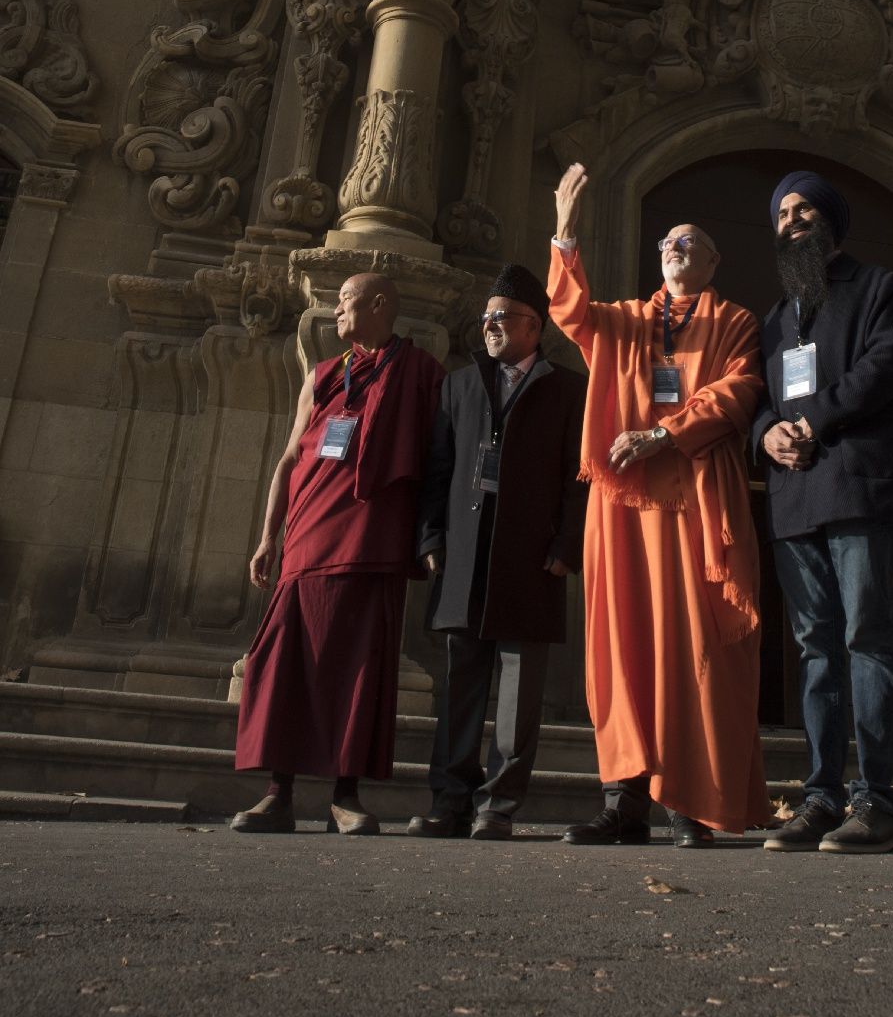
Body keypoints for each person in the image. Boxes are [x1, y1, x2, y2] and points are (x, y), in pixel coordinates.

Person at [548, 162, 772, 848]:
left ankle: (691, 803)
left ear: (712, 261)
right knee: (621, 649)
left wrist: (660, 433)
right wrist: (564, 230)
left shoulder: (733, 320)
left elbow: (738, 391)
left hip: (696, 504)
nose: (677, 247)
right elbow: (569, 314)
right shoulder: (623, 321)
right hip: (622, 507)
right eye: (668, 241)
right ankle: (624, 803)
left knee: (694, 647)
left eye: (691, 242)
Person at [232, 271, 444, 835]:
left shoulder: (421, 374)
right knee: (285, 661)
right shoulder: (324, 374)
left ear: (380, 304)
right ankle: (278, 792)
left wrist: (430, 537)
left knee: (358, 664)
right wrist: (266, 536)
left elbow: (438, 465)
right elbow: (286, 458)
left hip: (371, 536)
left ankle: (344, 796)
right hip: (306, 537)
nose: (336, 313)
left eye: (346, 301)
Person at [753, 171, 893, 854]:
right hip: (793, 498)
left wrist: (809, 420)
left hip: (854, 487)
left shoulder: (877, 287)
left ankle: (876, 802)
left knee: (864, 642)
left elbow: (884, 366)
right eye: (782, 212)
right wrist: (765, 430)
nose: (792, 220)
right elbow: (758, 395)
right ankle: (820, 797)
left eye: (804, 209)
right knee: (814, 649)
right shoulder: (774, 316)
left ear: (830, 223)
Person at [408, 263, 587, 840]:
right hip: (465, 556)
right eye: (486, 317)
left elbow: (575, 477)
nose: (489, 326)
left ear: (534, 326)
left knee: (517, 692)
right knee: (461, 683)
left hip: (532, 559)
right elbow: (438, 470)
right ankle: (450, 801)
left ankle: (498, 806)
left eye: (502, 317)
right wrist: (432, 540)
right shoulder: (459, 384)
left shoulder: (566, 388)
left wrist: (567, 547)